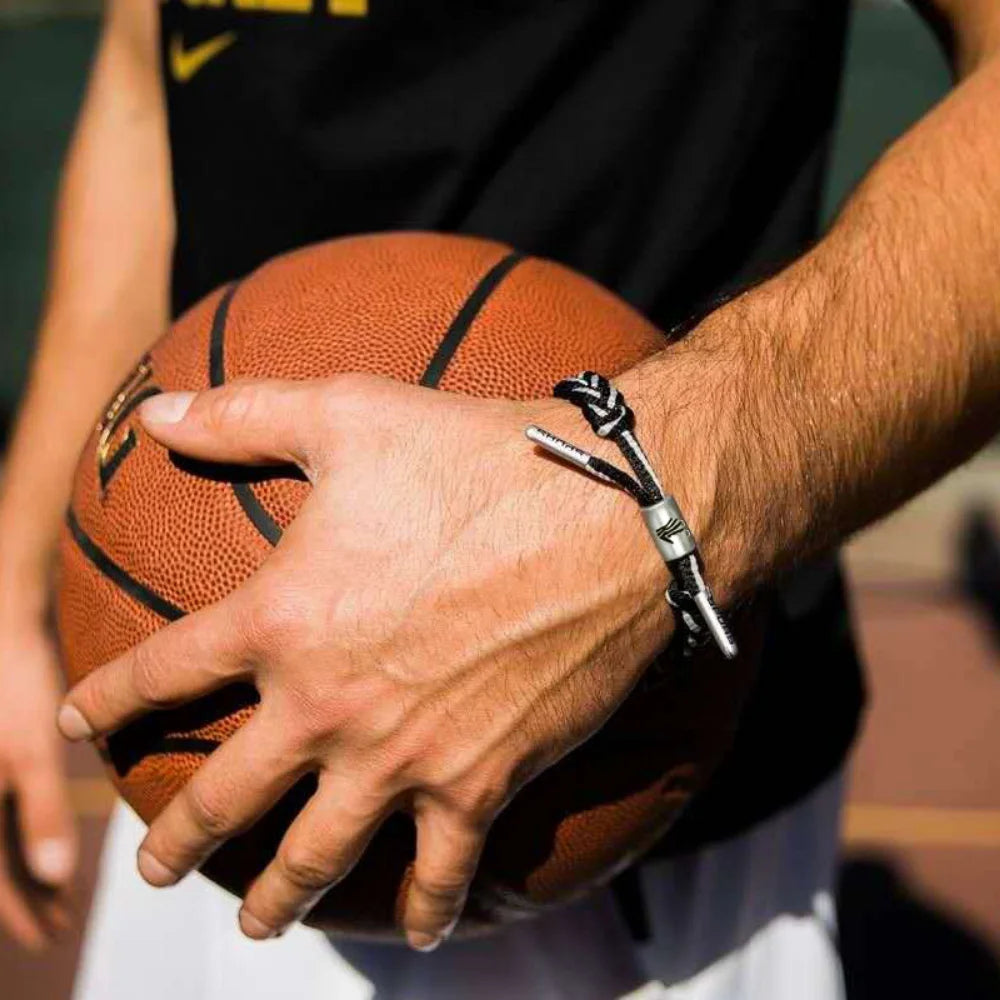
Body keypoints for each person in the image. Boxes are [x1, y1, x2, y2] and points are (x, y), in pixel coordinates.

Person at [1, 0, 997, 996]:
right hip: (206, 733)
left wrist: (635, 501)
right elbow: (147, 77)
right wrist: (14, 575)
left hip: (616, 784)